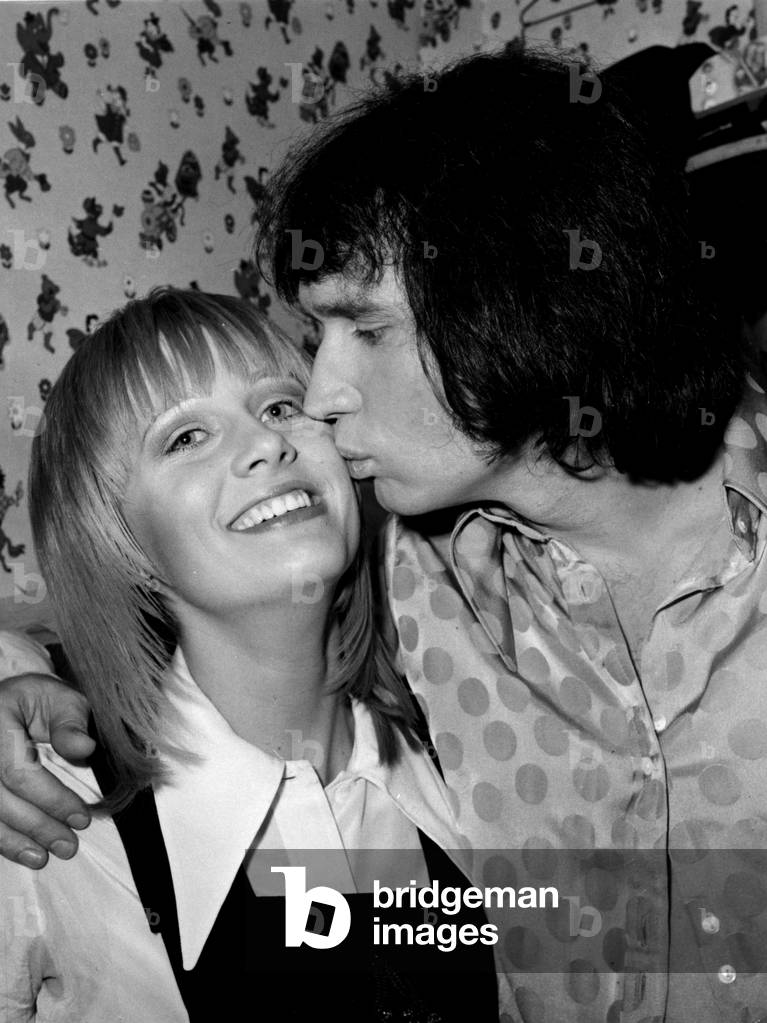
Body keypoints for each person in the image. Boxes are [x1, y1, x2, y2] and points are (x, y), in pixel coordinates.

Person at [1, 46, 766, 1023]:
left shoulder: (414, 624)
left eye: (356, 332)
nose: (316, 408)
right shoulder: (428, 578)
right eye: (188, 434)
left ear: (513, 304)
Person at [0, 287, 498, 1022]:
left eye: (277, 406)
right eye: (185, 437)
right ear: (120, 544)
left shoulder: (469, 745)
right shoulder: (46, 819)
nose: (268, 442)